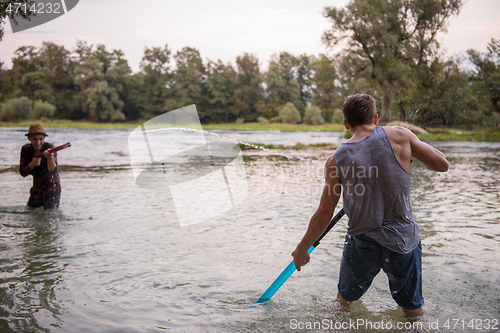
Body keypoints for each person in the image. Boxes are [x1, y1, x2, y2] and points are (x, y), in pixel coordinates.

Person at [291, 94, 449, 316]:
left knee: (342, 304)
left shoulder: (336, 159)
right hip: (403, 242)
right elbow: (442, 165)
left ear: (346, 124)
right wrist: (413, 145)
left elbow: (324, 213)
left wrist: (302, 249)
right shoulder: (401, 135)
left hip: (362, 244)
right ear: (375, 119)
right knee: (413, 313)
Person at [19, 124, 61, 210]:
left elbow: (53, 170)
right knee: (29, 212)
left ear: (44, 138)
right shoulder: (26, 149)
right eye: (35, 139)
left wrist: (49, 158)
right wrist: (32, 165)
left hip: (52, 189)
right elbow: (22, 173)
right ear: (29, 138)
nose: (38, 143)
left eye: (40, 139)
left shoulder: (50, 148)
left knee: (49, 216)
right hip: (36, 190)